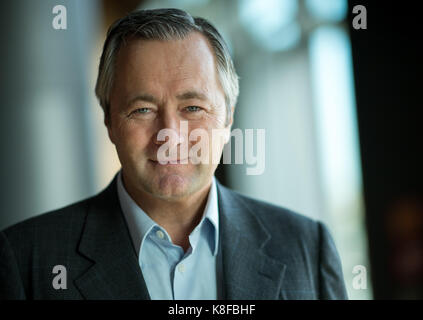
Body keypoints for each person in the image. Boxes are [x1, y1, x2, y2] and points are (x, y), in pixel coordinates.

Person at [0, 8, 347, 300]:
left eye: (193, 107)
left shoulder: (306, 246)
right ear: (109, 121)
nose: (169, 135)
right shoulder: (26, 259)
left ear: (228, 118)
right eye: (142, 110)